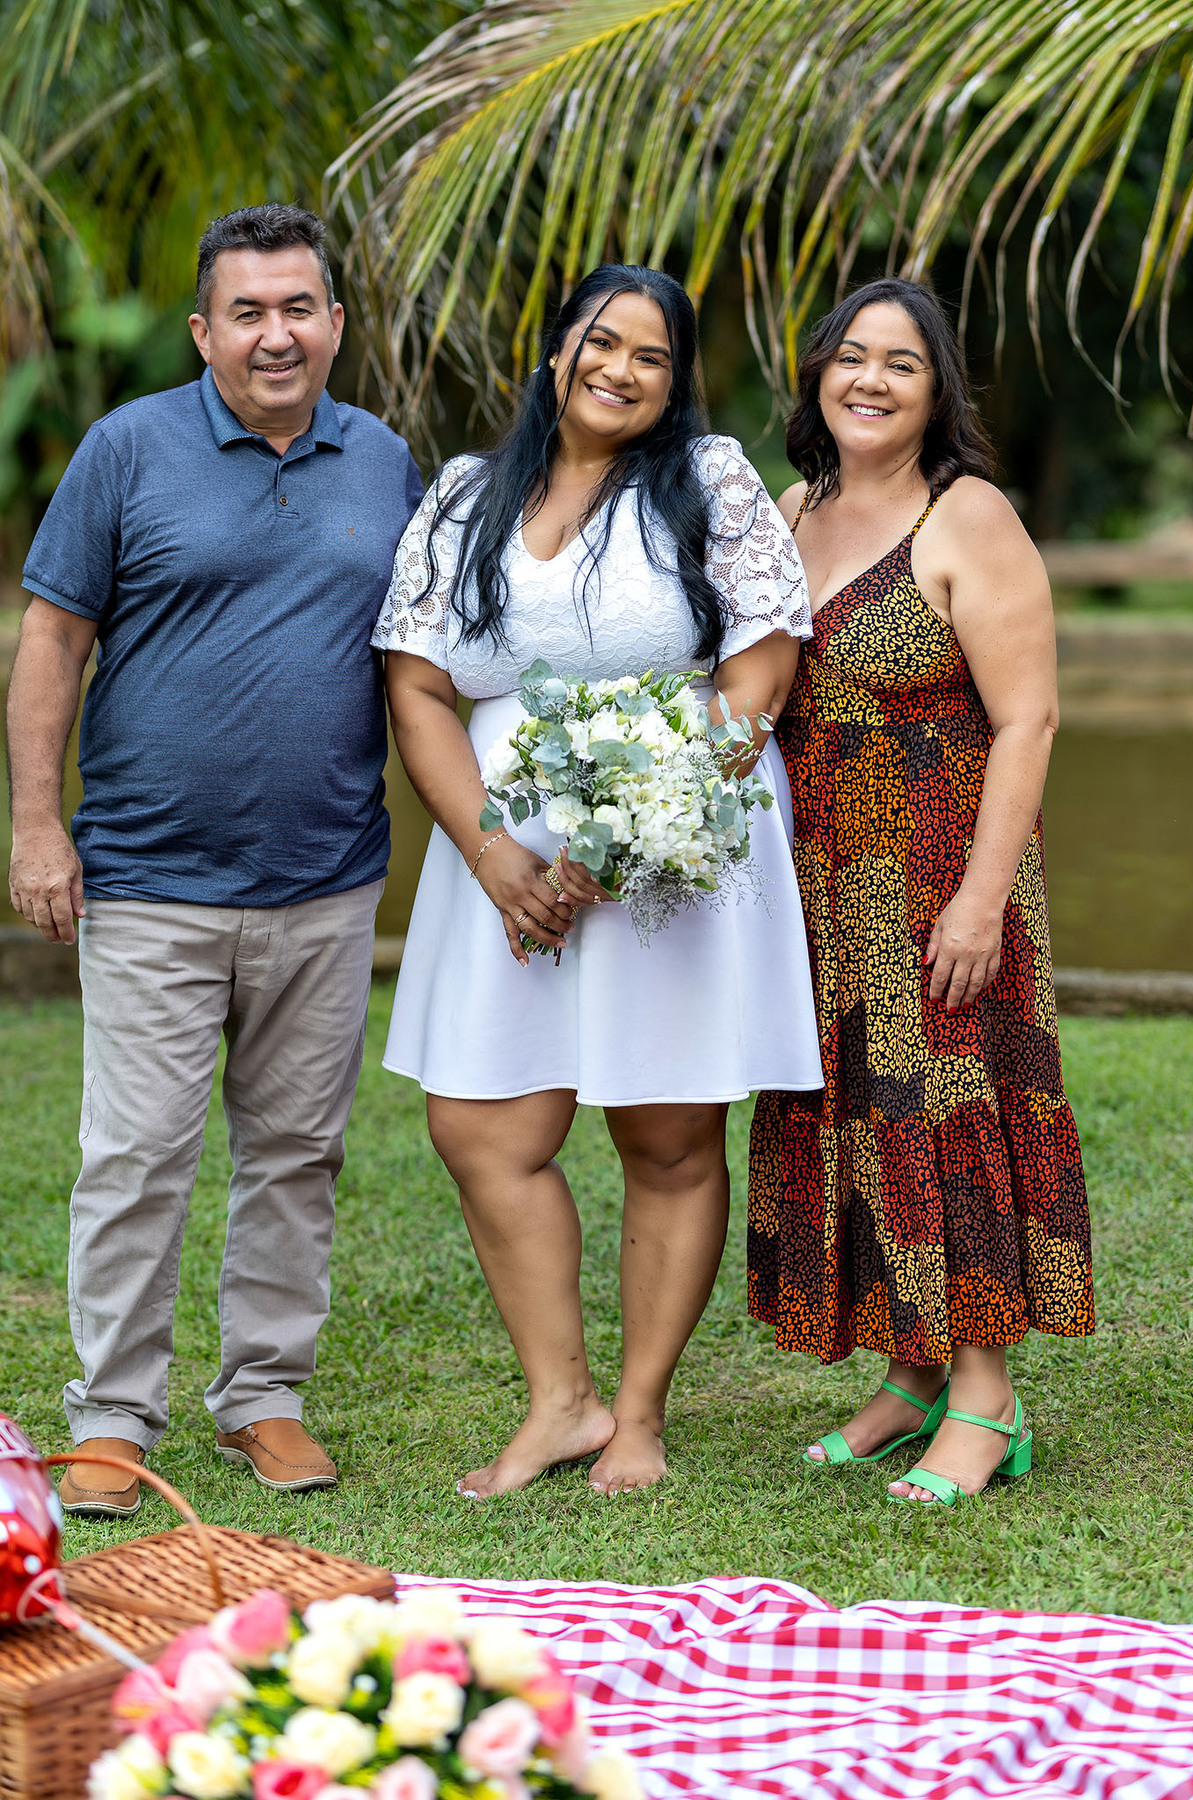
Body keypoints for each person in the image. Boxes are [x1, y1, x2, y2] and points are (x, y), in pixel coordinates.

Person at [372, 263, 822, 1498]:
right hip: (502, 852)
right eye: (602, 342)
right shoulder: (466, 496)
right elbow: (418, 685)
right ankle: (558, 1401)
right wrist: (493, 853)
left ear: (676, 383)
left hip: (672, 844)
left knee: (666, 1132)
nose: (621, 370)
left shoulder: (709, 482)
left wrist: (634, 836)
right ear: (556, 347)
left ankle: (637, 1416)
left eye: (652, 356)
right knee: (480, 1122)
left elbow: (760, 669)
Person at [6, 203, 424, 1515]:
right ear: (203, 331)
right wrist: (36, 825)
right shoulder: (128, 450)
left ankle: (264, 1398)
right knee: (136, 1160)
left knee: (296, 1155)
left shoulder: (385, 463)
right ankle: (114, 1416)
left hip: (328, 879)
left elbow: (421, 666)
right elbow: (52, 641)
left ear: (335, 323)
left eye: (298, 308)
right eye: (247, 312)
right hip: (149, 880)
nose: (275, 334)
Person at [748, 278, 1093, 1508]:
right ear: (818, 375)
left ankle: (987, 1401)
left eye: (902, 362)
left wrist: (982, 900)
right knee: (856, 1112)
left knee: (946, 1114)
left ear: (937, 391)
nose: (872, 380)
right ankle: (910, 1374)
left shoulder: (969, 515)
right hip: (823, 881)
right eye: (852, 356)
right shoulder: (792, 509)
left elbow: (1028, 719)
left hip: (939, 873)